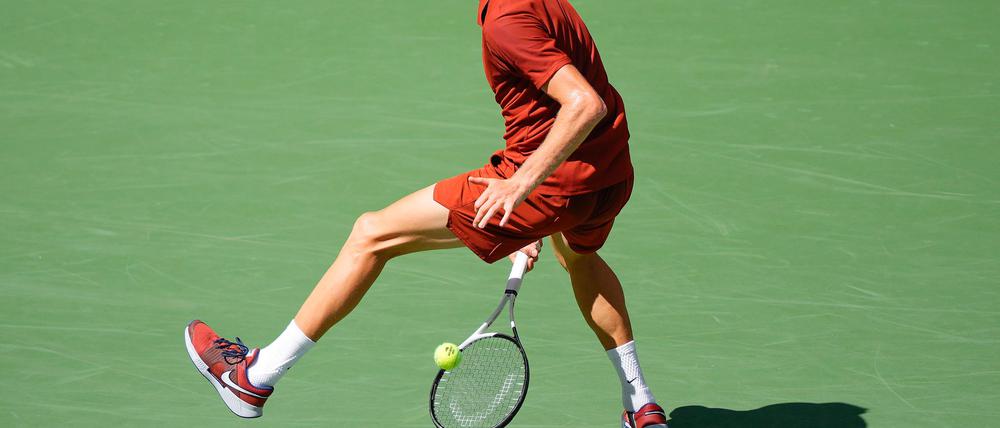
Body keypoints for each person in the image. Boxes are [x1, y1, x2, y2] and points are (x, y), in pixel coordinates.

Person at [184, 1, 667, 426]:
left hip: (548, 183)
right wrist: (539, 215)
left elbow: (584, 104)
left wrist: (523, 187)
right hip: (607, 176)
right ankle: (640, 404)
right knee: (580, 259)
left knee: (371, 234)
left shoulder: (505, 19)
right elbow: (548, 107)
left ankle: (254, 377)